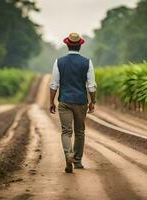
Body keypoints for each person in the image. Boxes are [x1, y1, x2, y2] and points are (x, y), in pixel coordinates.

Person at [49, 33, 97, 173]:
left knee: (66, 131)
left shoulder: (59, 62)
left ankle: (68, 154)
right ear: (80, 45)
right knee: (80, 132)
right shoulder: (87, 62)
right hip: (81, 102)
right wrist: (92, 101)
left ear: (67, 44)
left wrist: (51, 101)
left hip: (64, 101)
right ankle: (77, 161)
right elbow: (91, 86)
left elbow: (53, 85)